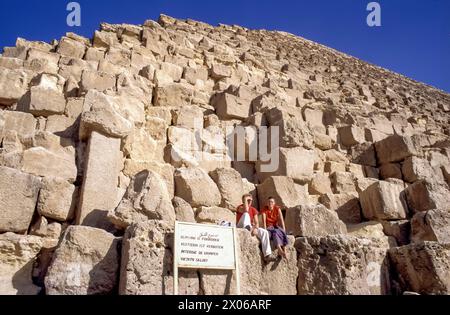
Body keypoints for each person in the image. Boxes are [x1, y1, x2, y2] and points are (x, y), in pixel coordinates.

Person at [236, 194, 277, 262]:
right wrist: (245, 199)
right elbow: (246, 210)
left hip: (251, 227)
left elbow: (257, 223)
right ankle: (248, 228)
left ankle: (267, 255)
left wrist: (254, 228)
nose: (249, 202)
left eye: (250, 200)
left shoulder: (253, 209)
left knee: (265, 232)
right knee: (246, 214)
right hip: (241, 225)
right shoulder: (240, 207)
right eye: (247, 200)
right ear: (243, 201)